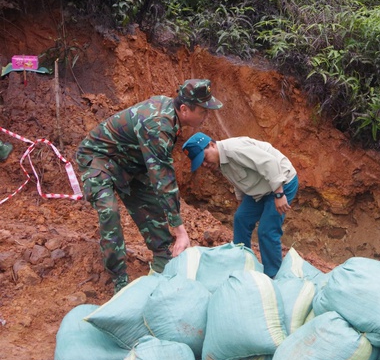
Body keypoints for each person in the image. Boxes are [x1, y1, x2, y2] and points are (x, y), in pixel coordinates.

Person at [76, 79, 223, 293]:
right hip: (99, 158)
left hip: (130, 162)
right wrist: (180, 230)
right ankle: (119, 279)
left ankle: (164, 260)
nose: (206, 115)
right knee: (109, 212)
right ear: (184, 109)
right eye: (203, 111)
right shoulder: (159, 124)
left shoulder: (170, 116)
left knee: (151, 207)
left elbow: (158, 177)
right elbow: (163, 178)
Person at [182, 132, 298, 278]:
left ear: (212, 144)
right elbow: (238, 180)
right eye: (201, 163)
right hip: (260, 187)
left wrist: (279, 194)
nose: (204, 164)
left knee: (267, 230)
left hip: (282, 182)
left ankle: (273, 276)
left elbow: (269, 162)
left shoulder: (235, 150)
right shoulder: (220, 160)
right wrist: (241, 202)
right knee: (241, 219)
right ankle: (242, 263)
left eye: (204, 158)